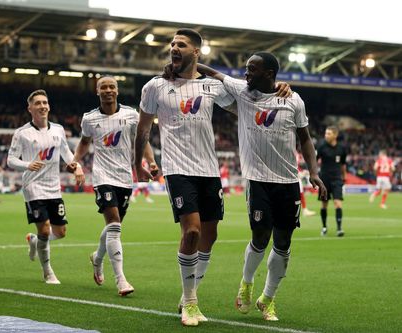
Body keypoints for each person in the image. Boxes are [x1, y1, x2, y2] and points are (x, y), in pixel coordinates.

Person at [134, 29, 291, 326]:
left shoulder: (212, 88)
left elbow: (250, 105)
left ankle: (188, 293)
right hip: (178, 169)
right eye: (172, 45)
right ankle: (191, 303)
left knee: (210, 235)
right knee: (191, 231)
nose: (173, 48)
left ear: (196, 52)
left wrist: (280, 88)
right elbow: (143, 129)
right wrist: (137, 164)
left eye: (181, 44)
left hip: (209, 170)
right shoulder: (155, 86)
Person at [196, 52, 326, 321]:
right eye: (245, 69)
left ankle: (268, 298)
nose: (246, 73)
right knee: (260, 236)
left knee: (283, 241)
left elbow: (306, 139)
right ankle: (246, 283)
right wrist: (180, 65)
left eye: (251, 69)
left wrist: (313, 172)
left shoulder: (293, 100)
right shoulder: (243, 92)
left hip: (289, 182)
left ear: (269, 74)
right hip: (257, 180)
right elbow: (212, 72)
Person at [73, 76, 157, 296]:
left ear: (117, 91)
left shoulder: (130, 115)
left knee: (113, 227)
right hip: (102, 177)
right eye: (103, 87)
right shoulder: (89, 119)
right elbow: (84, 143)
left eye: (112, 87)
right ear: (97, 91)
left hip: (124, 178)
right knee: (115, 226)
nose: (108, 90)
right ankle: (121, 280)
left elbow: (143, 139)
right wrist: (75, 161)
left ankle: (97, 257)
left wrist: (151, 161)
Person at [7, 89, 84, 284]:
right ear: (30, 108)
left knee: (60, 233)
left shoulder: (58, 129)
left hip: (53, 186)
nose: (42, 106)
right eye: (38, 103)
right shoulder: (22, 133)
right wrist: (27, 165)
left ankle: (34, 241)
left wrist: (77, 168)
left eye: (45, 102)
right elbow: (10, 160)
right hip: (33, 186)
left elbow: (66, 153)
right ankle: (48, 271)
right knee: (44, 229)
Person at [317, 126, 347, 236]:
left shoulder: (342, 148)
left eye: (328, 133)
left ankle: (339, 228)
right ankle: (324, 227)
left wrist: (345, 177)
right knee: (324, 204)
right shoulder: (321, 147)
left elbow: (343, 164)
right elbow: (314, 161)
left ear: (335, 135)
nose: (326, 135)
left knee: (338, 203)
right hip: (324, 180)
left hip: (337, 179)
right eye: (326, 133)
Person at [296, 151, 316, 217]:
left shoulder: (295, 153)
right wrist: (300, 173)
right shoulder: (294, 153)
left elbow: (296, 165)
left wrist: (301, 172)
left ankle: (304, 209)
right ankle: (304, 210)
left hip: (295, 174)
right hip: (293, 175)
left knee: (301, 192)